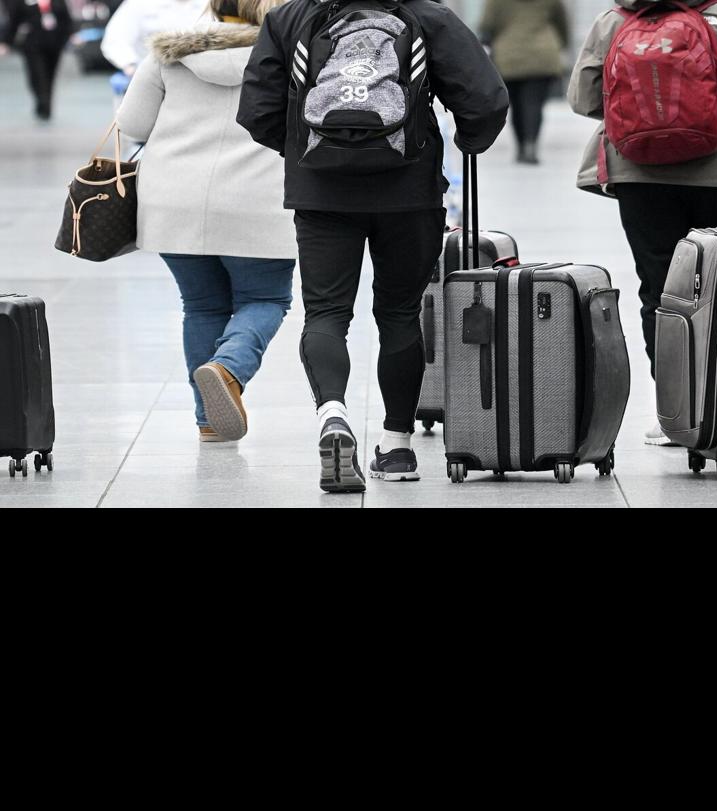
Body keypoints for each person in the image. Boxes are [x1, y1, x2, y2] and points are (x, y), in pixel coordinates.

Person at [238, 0, 508, 493]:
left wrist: (309, 149)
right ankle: (398, 445)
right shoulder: (426, 15)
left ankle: (332, 414)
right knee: (401, 313)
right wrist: (465, 141)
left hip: (321, 194)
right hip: (409, 191)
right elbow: (485, 99)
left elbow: (256, 109)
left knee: (325, 314)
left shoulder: (291, 18)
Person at [566, 0, 717, 447]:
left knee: (660, 289)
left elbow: (583, 96)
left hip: (638, 172)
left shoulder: (618, 17)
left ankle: (674, 411)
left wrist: (644, 120)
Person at [116, 0, 296, 443]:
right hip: (260, 199)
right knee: (266, 299)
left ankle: (210, 421)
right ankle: (227, 368)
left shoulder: (170, 52)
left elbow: (132, 123)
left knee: (201, 306)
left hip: (174, 200)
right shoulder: (297, 54)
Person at [479, 0, 566, 166]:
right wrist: (562, 44)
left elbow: (487, 25)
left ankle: (521, 147)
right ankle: (530, 145)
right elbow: (562, 23)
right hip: (542, 56)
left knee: (516, 105)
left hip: (508, 57)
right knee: (534, 104)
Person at [0, 0, 74, 121]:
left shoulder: (58, 2)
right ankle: (42, 101)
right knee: (37, 75)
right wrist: (5, 42)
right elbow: (14, 22)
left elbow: (66, 19)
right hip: (32, 45)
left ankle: (47, 104)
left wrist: (71, 35)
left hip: (54, 44)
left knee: (50, 75)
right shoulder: (23, 2)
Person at [102, 0, 211, 77]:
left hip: (201, 77)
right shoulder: (139, 4)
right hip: (150, 77)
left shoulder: (212, 3)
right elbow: (115, 39)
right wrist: (130, 65)